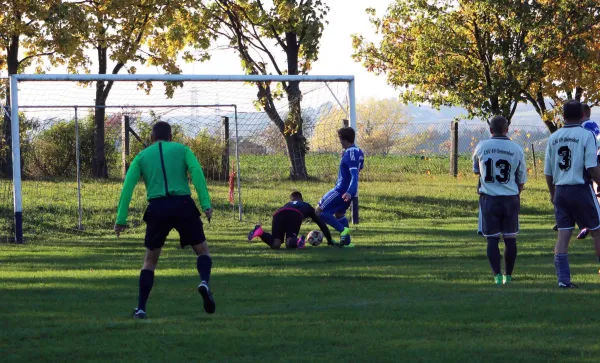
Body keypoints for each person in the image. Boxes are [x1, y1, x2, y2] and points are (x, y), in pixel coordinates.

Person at [114, 121, 216, 319]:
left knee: (150, 260)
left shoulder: (141, 156)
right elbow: (197, 173)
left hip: (158, 208)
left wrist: (121, 219)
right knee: (202, 251)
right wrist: (206, 204)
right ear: (171, 137)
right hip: (183, 205)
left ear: (152, 138)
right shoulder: (183, 149)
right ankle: (204, 282)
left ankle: (141, 308)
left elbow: (128, 186)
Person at [544, 100, 600, 288]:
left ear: (563, 116)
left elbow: (549, 172)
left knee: (563, 235)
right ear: (583, 115)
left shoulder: (554, 137)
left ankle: (563, 279)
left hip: (560, 190)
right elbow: (592, 167)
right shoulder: (586, 135)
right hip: (581, 188)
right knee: (597, 231)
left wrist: (553, 193)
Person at [473, 116, 527, 285]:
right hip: (510, 198)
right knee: (510, 239)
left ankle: (496, 276)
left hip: (489, 198)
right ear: (507, 129)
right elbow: (521, 178)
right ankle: (508, 276)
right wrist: (515, 191)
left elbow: (477, 170)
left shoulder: (482, 146)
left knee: (492, 238)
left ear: (490, 130)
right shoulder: (516, 148)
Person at [315, 127, 364, 248]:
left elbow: (354, 175)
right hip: (348, 191)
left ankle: (343, 230)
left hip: (341, 190)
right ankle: (347, 243)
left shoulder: (350, 154)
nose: (339, 141)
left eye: (340, 139)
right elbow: (358, 168)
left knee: (319, 212)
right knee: (339, 214)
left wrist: (349, 191)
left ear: (345, 139)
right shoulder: (358, 151)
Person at [248, 191, 335, 249]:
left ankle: (261, 232)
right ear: (301, 198)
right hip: (294, 213)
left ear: (291, 199)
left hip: (278, 214)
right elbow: (321, 223)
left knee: (276, 244)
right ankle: (297, 241)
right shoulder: (306, 205)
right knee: (289, 242)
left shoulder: (287, 204)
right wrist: (329, 240)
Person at [574, 104, 600, 239]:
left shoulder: (584, 127)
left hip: (591, 162)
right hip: (596, 160)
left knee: (588, 196)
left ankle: (588, 225)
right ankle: (586, 224)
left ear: (582, 114)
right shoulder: (595, 125)